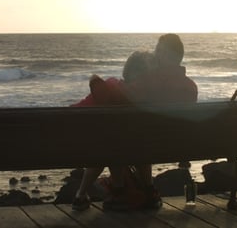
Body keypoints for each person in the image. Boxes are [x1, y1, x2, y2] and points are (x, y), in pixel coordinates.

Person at [72, 34, 198, 211]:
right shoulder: (190, 87)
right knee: (130, 136)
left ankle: (109, 191)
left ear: (166, 54)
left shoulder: (150, 83)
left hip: (141, 144)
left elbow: (115, 95)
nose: (156, 54)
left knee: (113, 139)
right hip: (167, 145)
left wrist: (98, 80)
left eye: (158, 50)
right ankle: (146, 189)